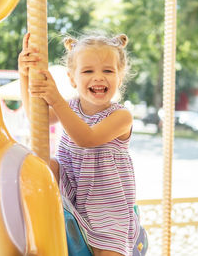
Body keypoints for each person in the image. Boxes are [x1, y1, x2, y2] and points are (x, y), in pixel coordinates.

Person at [18, 32, 139, 256]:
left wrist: (55, 99)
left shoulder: (122, 117)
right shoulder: (71, 107)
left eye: (108, 71)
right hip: (72, 195)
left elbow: (87, 139)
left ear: (119, 77)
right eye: (88, 71)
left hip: (109, 211)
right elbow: (36, 117)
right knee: (44, 166)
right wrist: (25, 75)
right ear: (72, 78)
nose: (99, 77)